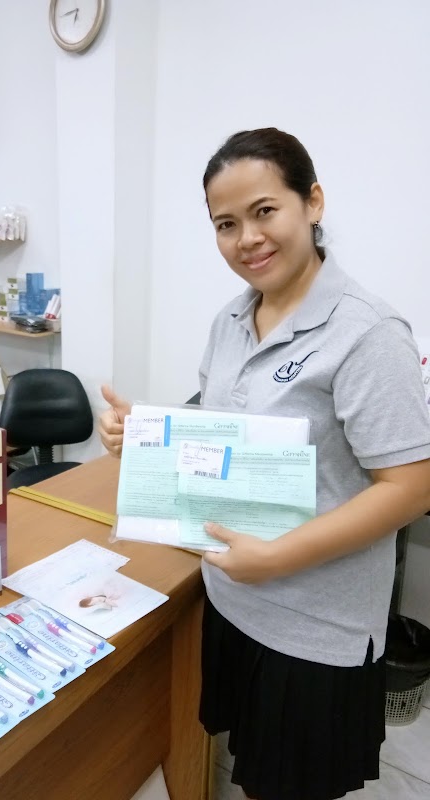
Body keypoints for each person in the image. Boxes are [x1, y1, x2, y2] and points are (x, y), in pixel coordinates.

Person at [98, 128, 430, 800]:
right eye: (226, 224)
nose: (246, 238)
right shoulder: (231, 320)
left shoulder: (367, 332)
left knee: (292, 786)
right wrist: (148, 434)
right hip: (234, 599)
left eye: (264, 211)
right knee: (251, 769)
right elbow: (226, 423)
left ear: (313, 202)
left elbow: (412, 486)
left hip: (315, 625)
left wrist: (277, 558)